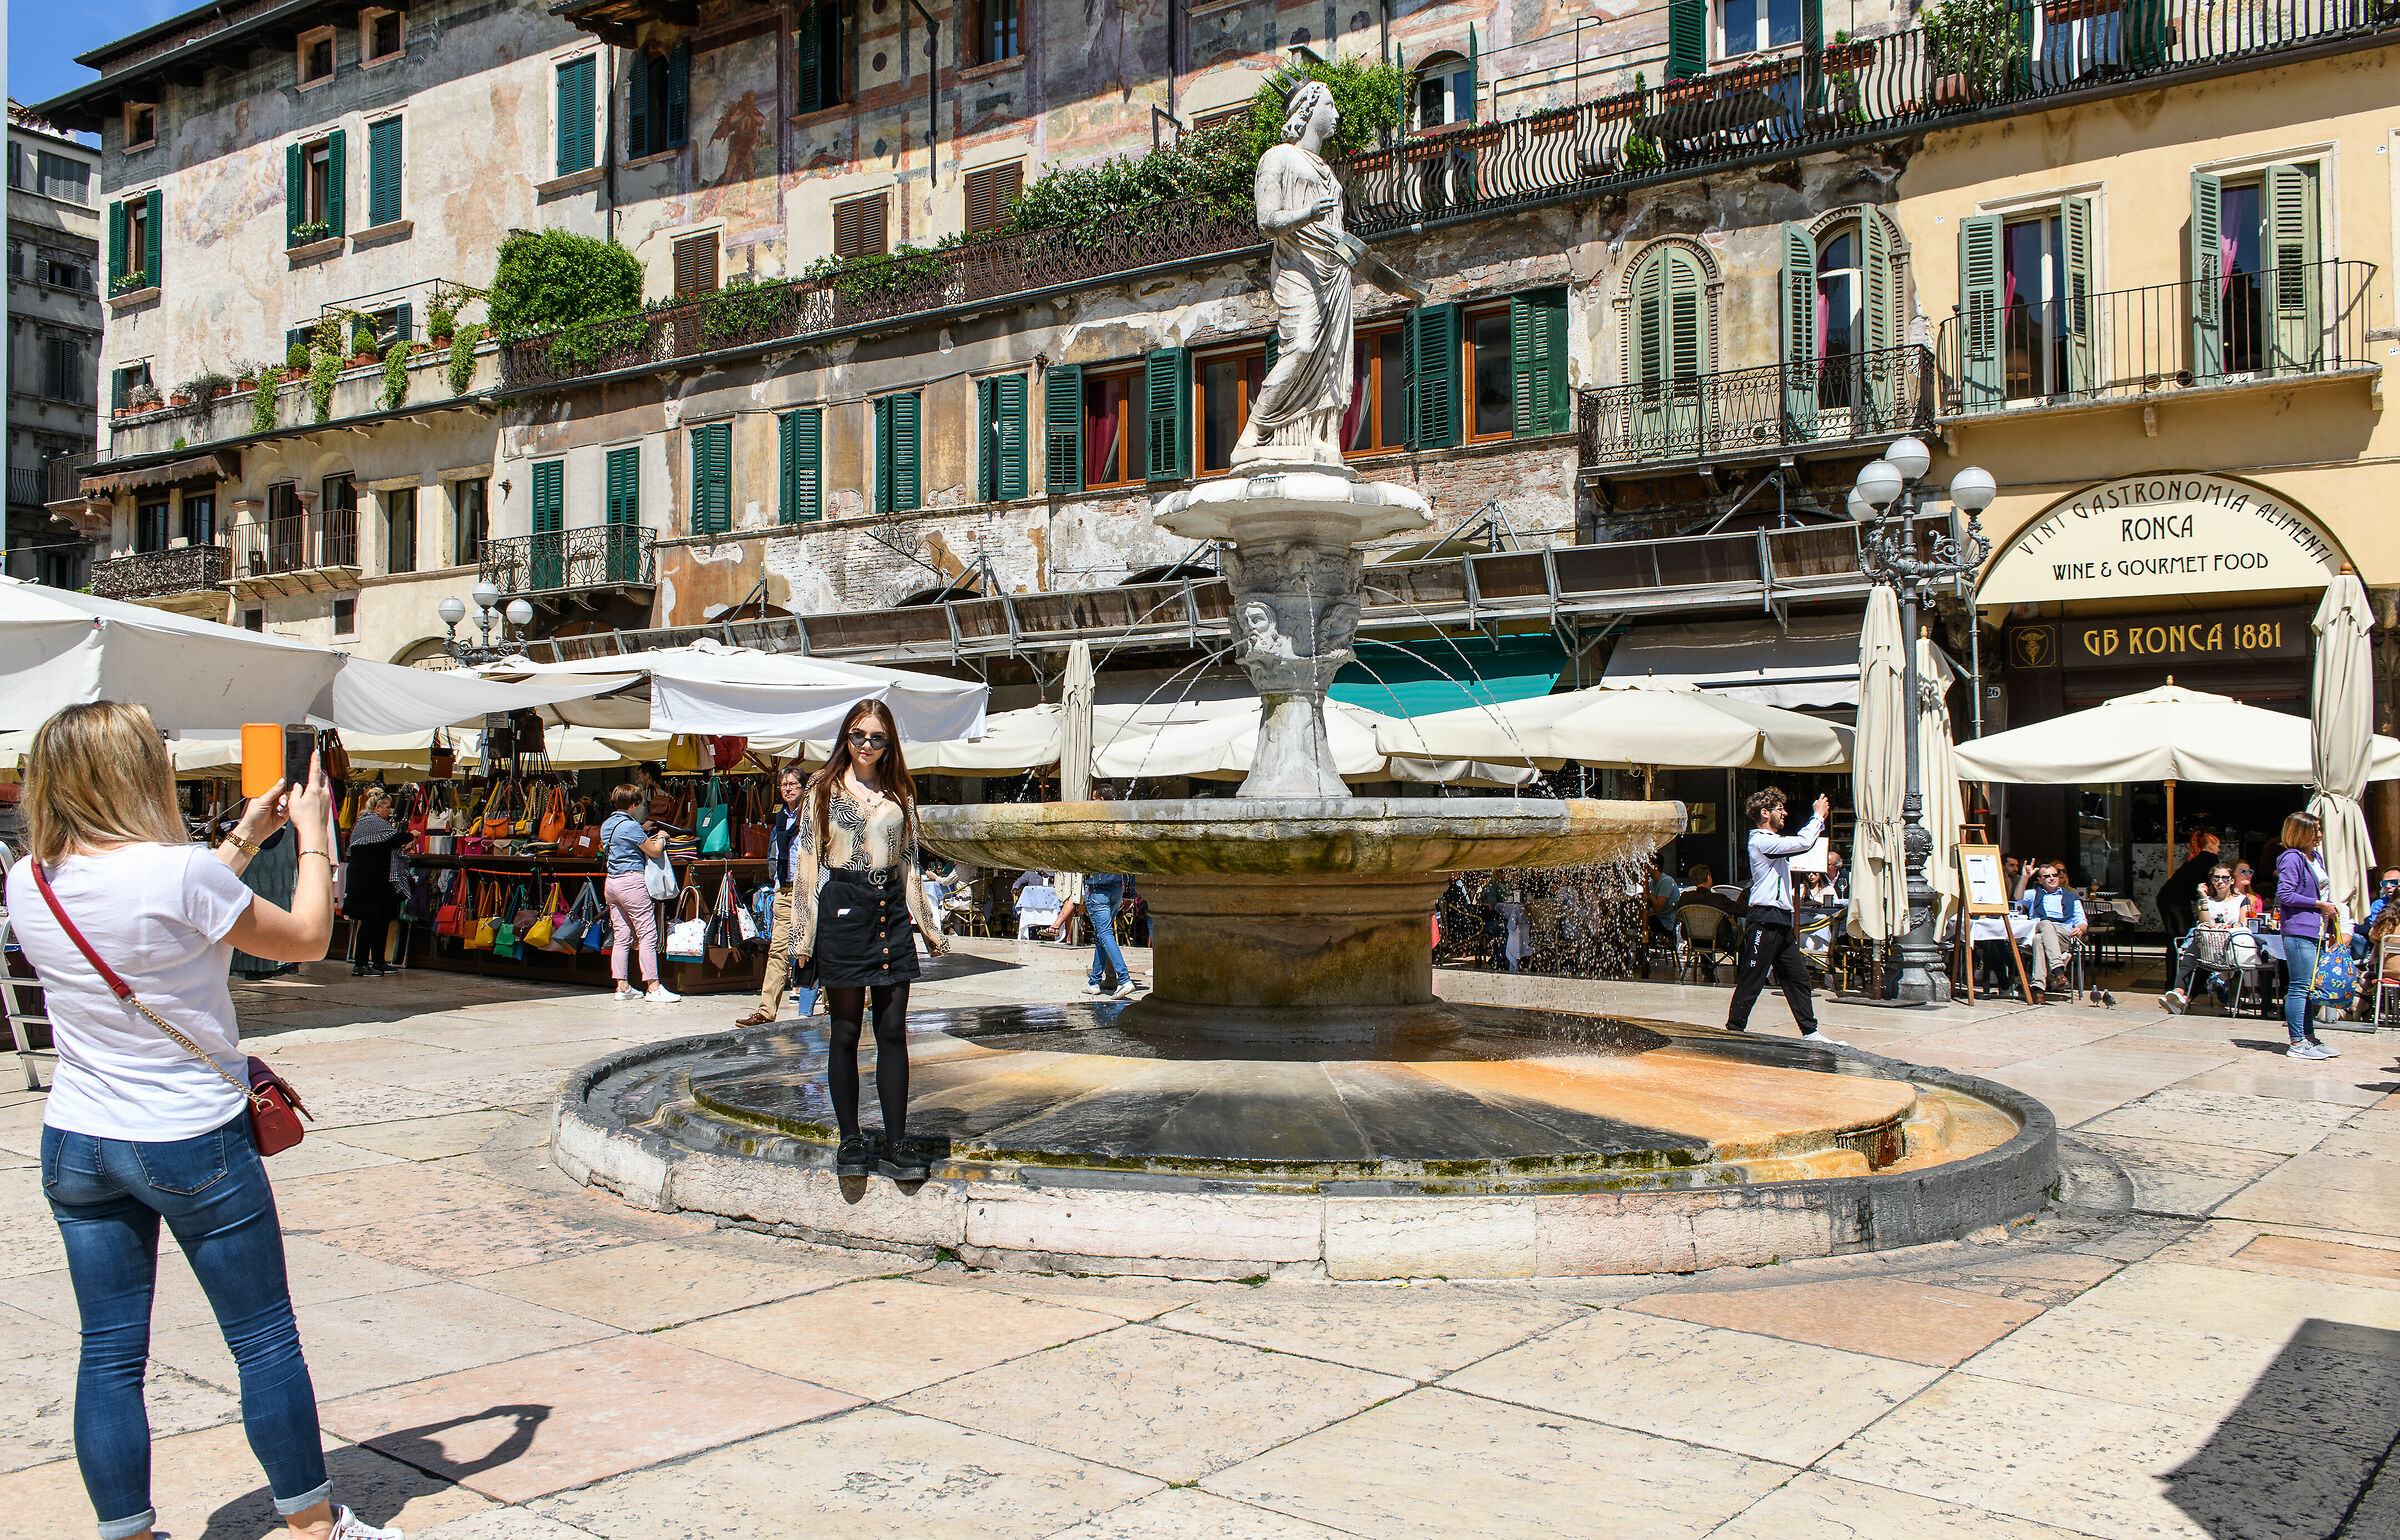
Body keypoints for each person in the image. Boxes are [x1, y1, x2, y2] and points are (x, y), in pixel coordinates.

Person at [5, 702, 399, 1540]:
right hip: (188, 1137)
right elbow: (306, 937)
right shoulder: (177, 871)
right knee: (262, 1339)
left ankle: (128, 1532)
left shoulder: (28, 879)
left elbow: (168, 920)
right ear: (135, 772)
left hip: (78, 1137)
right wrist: (316, 834)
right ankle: (313, 1527)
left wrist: (247, 839)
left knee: (107, 1352)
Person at [791, 700, 948, 1181]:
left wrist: (927, 926)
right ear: (846, 736)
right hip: (842, 905)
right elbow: (807, 864)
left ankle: (897, 1141)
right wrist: (802, 937)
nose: (866, 746)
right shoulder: (821, 789)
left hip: (890, 909)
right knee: (844, 1032)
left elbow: (911, 863)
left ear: (889, 744)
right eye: (858, 735)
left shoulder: (901, 792)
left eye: (877, 738)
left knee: (894, 1032)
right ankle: (850, 1139)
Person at [1725, 787, 1841, 1043]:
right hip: (1764, 918)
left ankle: (1810, 1031)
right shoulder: (1761, 840)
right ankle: (1734, 1029)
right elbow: (1801, 842)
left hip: (1781, 919)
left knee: (1797, 978)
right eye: (1780, 809)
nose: (1784, 813)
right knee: (1752, 977)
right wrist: (1818, 817)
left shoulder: (1772, 843)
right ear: (1765, 813)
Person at [732, 767, 810, 1028]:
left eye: (793, 784)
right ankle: (766, 1011)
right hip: (785, 891)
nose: (788, 788)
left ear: (803, 787)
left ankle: (836, 1004)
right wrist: (776, 884)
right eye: (784, 785)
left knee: (819, 948)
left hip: (809, 892)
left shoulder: (813, 815)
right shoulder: (780, 817)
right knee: (778, 950)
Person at [599, 784, 680, 1005]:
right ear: (633, 804)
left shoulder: (607, 825)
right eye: (640, 803)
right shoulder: (630, 826)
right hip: (631, 882)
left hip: (612, 883)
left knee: (622, 935)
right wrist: (662, 837)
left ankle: (622, 986)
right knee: (647, 934)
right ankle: (653, 987)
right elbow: (653, 851)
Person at [2274, 810, 2343, 1060]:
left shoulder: (2315, 858)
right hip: (2299, 928)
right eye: (2316, 831)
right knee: (2300, 986)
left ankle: (2310, 1038)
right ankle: (2297, 1041)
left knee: (2308, 987)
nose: (2320, 835)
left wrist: (2326, 908)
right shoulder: (2291, 858)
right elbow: (2285, 895)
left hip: (2316, 929)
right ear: (2301, 833)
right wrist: (2318, 904)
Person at [2160, 865, 2247, 1013]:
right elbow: (2204, 923)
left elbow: (2243, 925)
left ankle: (2181, 998)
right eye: (2216, 878)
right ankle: (2179, 995)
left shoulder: (2241, 900)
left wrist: (2228, 928)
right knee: (2193, 952)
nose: (2221, 882)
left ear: (2232, 880)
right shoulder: (2207, 901)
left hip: (2229, 947)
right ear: (2211, 881)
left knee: (2200, 964)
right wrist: (2204, 899)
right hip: (2209, 945)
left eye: (2225, 878)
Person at [340, 788, 408, 978]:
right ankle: (361, 964)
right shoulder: (372, 823)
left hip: (376, 879)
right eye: (388, 807)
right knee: (369, 921)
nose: (391, 811)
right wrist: (411, 836)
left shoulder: (367, 824)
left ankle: (379, 961)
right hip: (367, 881)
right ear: (378, 808)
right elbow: (392, 840)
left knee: (380, 920)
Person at [2016, 862, 2087, 1003]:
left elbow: (2082, 921)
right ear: (2040, 880)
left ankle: (2038, 990)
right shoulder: (2034, 894)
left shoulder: (2071, 898)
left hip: (2062, 935)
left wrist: (2081, 927)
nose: (2052, 878)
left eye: (2054, 875)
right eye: (2046, 876)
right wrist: (2025, 877)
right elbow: (2017, 897)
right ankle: (2058, 972)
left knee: (2038, 939)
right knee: (2045, 924)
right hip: (2042, 927)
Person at [1082, 871, 1140, 998]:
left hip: (1097, 888)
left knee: (1104, 933)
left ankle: (1124, 979)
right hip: (1117, 889)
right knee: (1101, 936)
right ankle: (1094, 981)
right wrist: (1130, 893)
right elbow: (1129, 867)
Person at [2157, 829, 2220, 944]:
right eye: (2217, 846)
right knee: (2182, 934)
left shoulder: (2195, 859)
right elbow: (2211, 879)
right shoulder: (2210, 858)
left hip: (2165, 896)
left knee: (2173, 937)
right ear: (2210, 845)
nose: (2218, 850)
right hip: (2178, 899)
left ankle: (2173, 961)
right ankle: (2180, 959)